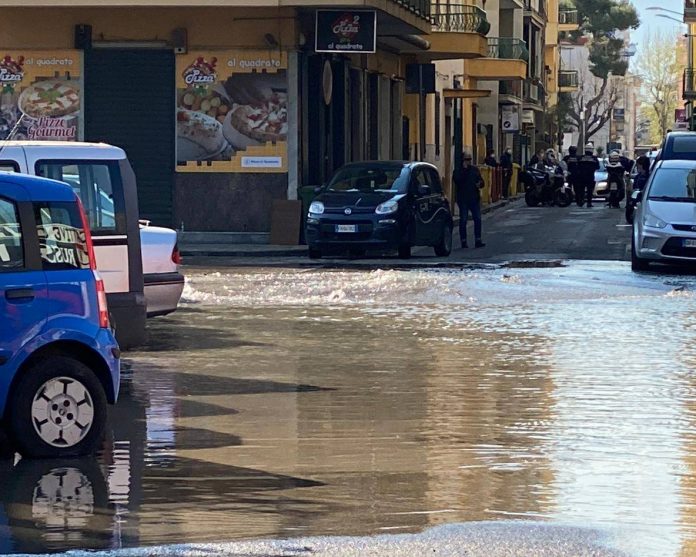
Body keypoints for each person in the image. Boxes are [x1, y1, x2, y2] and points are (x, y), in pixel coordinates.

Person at [452, 152, 486, 248]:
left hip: (474, 198)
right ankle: (463, 241)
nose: (469, 161)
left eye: (470, 159)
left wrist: (480, 184)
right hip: (463, 199)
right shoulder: (458, 171)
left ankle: (478, 240)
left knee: (478, 219)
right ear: (463, 160)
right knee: (463, 220)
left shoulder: (475, 170)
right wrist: (465, 170)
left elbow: (482, 181)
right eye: (467, 159)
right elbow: (457, 180)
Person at [576, 143, 600, 207]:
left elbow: (577, 166)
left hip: (581, 177)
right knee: (590, 190)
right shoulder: (594, 158)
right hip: (590, 177)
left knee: (581, 190)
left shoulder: (581, 158)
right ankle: (589, 202)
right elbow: (598, 167)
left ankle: (581, 201)